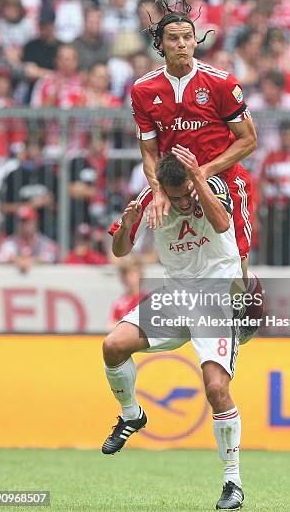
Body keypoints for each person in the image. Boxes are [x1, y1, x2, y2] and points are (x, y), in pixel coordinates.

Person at [104, 148, 248, 510]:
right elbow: (120, 251)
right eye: (176, 195)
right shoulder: (151, 199)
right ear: (162, 188)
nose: (183, 202)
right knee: (113, 345)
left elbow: (221, 225)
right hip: (176, 296)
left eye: (187, 193)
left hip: (216, 297)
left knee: (216, 388)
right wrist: (127, 224)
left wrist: (198, 179)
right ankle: (132, 415)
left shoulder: (210, 184)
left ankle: (233, 481)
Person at [130, 0, 257, 278]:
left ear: (195, 40)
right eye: (174, 39)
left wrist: (203, 172)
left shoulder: (221, 82)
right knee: (190, 266)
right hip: (175, 186)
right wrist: (158, 190)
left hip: (222, 177)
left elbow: (248, 139)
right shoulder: (143, 90)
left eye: (188, 37)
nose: (182, 44)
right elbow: (149, 152)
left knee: (238, 266)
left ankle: (245, 314)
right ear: (160, 44)